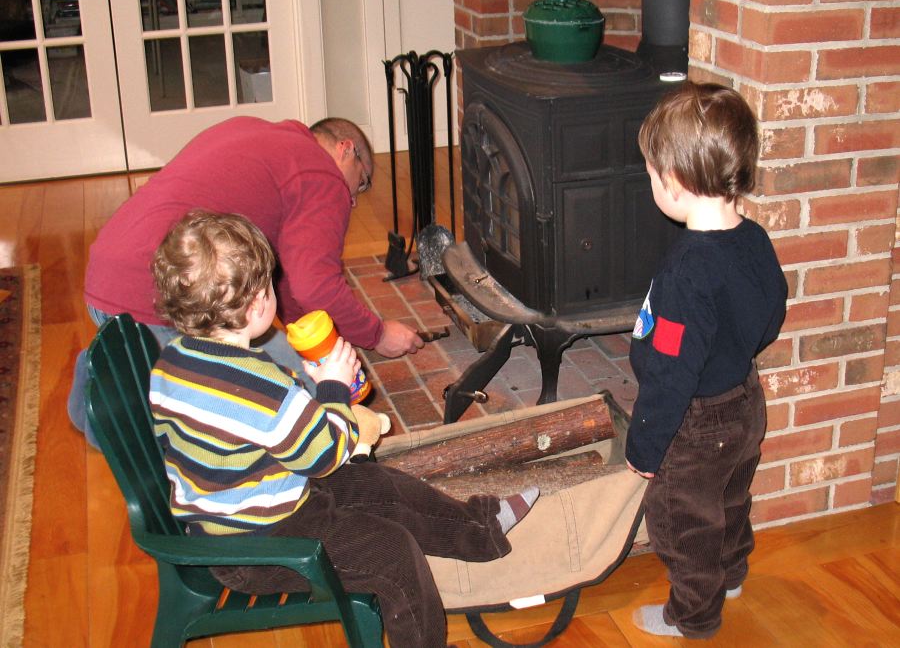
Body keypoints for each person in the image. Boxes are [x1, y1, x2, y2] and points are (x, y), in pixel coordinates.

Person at [148, 210, 539, 648]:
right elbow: (323, 455)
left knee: (372, 481)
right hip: (258, 547)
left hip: (245, 514)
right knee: (392, 553)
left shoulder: (172, 361)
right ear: (257, 303)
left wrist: (307, 395)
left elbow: (260, 432)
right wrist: (332, 387)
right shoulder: (257, 383)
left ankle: (477, 530)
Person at [70, 115, 424, 445]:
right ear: (346, 150)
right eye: (359, 185)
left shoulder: (257, 134)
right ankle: (123, 408)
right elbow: (315, 285)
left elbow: (289, 277)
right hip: (161, 300)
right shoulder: (322, 173)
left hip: (105, 277)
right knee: (291, 403)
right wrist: (377, 333)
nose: (352, 202)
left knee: (287, 365)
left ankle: (109, 364)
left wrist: (319, 339)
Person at [624, 82, 787, 639]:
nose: (651, 183)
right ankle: (733, 573)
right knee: (732, 493)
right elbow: (772, 311)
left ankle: (693, 615)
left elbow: (670, 375)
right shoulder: (754, 239)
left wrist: (645, 445)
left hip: (694, 424)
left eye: (651, 174)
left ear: (675, 182)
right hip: (745, 400)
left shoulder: (686, 273)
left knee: (683, 520)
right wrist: (737, 355)